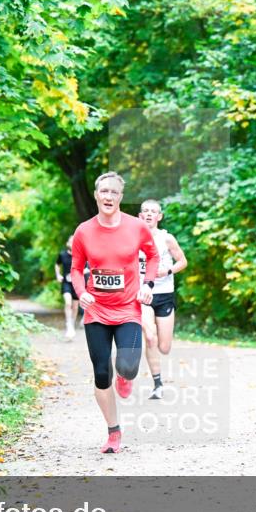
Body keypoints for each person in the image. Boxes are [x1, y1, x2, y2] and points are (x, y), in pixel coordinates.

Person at [70, 172, 159, 453]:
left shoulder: (136, 227)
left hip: (128, 309)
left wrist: (148, 284)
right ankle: (113, 432)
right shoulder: (84, 231)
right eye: (104, 191)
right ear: (97, 194)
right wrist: (81, 291)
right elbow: (75, 268)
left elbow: (153, 256)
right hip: (96, 311)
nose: (109, 197)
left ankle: (125, 376)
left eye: (114, 193)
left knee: (128, 367)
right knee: (100, 374)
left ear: (121, 197)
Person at [137, 200, 187, 399]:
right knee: (150, 337)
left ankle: (158, 349)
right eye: (146, 211)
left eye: (153, 211)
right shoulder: (132, 238)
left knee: (164, 347)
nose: (149, 214)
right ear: (140, 216)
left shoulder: (167, 239)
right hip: (143, 294)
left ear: (160, 216)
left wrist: (167, 270)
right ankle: (157, 384)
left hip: (165, 294)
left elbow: (183, 261)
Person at [55, 236, 80, 340]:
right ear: (67, 243)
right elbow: (57, 264)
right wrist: (58, 275)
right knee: (68, 303)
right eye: (70, 241)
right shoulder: (62, 255)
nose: (72, 243)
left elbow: (86, 267)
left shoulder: (80, 255)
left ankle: (72, 324)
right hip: (66, 283)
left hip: (77, 283)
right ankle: (68, 324)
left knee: (75, 307)